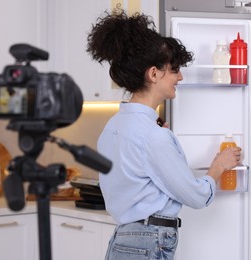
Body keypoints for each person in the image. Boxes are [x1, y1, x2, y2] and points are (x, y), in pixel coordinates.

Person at [86, 8, 242, 260]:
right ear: (154, 73)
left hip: (123, 238)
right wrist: (218, 167)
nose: (180, 77)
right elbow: (197, 196)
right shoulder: (152, 136)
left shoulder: (113, 127)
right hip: (148, 241)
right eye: (174, 69)